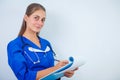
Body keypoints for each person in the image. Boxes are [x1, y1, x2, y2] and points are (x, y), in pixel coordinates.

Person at [7, 3, 78, 80]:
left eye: (43, 20)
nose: (40, 23)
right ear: (26, 18)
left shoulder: (46, 43)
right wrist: (55, 68)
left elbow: (50, 73)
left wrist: (63, 71)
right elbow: (24, 76)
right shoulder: (15, 45)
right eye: (36, 18)